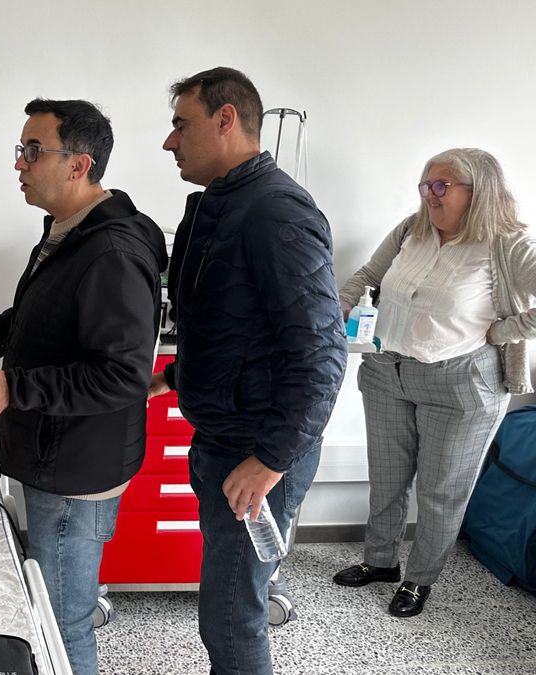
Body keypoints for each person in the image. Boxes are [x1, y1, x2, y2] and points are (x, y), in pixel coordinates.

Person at [0, 99, 166, 675]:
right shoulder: (69, 232)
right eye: (21, 149)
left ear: (78, 165)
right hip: (59, 452)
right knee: (60, 607)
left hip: (75, 471)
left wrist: (14, 388)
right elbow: (34, 320)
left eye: (33, 150)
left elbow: (122, 375)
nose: (19, 163)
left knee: (64, 623)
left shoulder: (112, 253)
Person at [149, 67, 346, 674]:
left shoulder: (275, 212)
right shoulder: (218, 205)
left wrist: (269, 460)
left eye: (181, 124)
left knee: (232, 616)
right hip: (224, 439)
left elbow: (321, 353)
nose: (170, 141)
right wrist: (174, 378)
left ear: (226, 119)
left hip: (257, 450)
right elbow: (228, 326)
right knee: (226, 605)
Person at [332, 147, 536, 617]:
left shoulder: (506, 243)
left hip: (461, 384)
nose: (429, 194)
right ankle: (380, 562)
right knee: (386, 480)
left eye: (441, 185)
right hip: (387, 372)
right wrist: (339, 303)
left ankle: (418, 580)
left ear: (478, 191)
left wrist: (504, 331)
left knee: (441, 493)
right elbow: (368, 275)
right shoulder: (412, 229)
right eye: (425, 184)